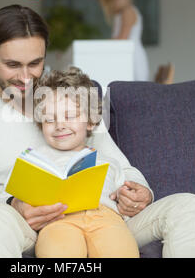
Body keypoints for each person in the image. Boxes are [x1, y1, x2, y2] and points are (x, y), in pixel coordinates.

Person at [0, 4, 195, 258]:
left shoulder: (69, 99)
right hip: (29, 226)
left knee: (188, 204)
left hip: (102, 219)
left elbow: (121, 167)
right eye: (13, 65)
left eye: (35, 63)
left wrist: (138, 191)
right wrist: (13, 205)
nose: (25, 77)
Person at [32, 66, 139, 258]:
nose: (59, 125)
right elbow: (15, 194)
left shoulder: (108, 160)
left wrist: (126, 197)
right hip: (58, 221)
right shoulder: (36, 157)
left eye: (70, 116)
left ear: (90, 121)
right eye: (49, 120)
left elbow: (128, 194)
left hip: (106, 218)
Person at [96, 0, 150, 81]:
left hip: (132, 58)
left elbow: (122, 39)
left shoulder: (127, 12)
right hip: (128, 57)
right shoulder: (121, 14)